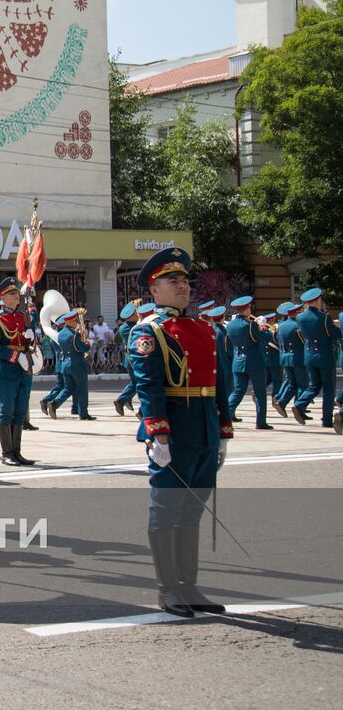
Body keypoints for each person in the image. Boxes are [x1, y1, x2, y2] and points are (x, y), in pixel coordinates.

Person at [129, 246, 232, 617]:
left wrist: (223, 432)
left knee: (192, 512)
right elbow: (148, 386)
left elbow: (220, 383)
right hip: (173, 434)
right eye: (173, 281)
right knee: (167, 510)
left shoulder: (205, 329)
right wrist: (158, 436)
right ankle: (168, 589)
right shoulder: (149, 331)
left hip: (203, 430)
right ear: (154, 290)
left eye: (185, 281)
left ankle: (189, 586)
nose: (183, 286)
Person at [0, 277, 36, 466]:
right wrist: (16, 356)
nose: (16, 296)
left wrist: (31, 339)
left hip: (24, 369)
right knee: (6, 411)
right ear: (3, 297)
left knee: (20, 411)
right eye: (12, 293)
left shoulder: (24, 317)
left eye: (16, 293)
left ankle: (17, 452)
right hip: (7, 369)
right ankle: (7, 453)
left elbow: (30, 344)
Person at [294, 288, 341, 431]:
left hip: (309, 356)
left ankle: (300, 404)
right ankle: (326, 419)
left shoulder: (300, 317)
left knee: (314, 385)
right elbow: (336, 335)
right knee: (328, 388)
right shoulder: (324, 317)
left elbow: (301, 335)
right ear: (317, 300)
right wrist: (338, 327)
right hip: (324, 356)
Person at [225, 295, 271, 430]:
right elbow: (266, 338)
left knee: (238, 391)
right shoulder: (251, 325)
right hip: (254, 362)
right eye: (249, 308)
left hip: (238, 361)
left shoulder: (230, 325)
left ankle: (223, 416)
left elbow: (228, 346)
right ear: (246, 309)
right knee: (260, 392)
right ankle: (261, 422)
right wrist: (263, 327)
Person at [54, 310, 94, 421]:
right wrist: (87, 342)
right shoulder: (74, 335)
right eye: (74, 321)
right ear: (69, 322)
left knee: (68, 388)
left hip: (65, 364)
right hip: (77, 364)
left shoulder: (61, 334)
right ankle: (83, 413)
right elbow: (84, 348)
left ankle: (54, 404)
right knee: (82, 389)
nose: (76, 322)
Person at [274, 302, 303, 419]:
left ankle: (282, 402)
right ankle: (299, 409)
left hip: (285, 358)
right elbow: (304, 341)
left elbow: (276, 339)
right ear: (296, 313)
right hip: (297, 357)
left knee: (292, 383)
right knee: (303, 384)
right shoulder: (297, 325)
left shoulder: (281, 325)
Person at [113, 302, 140, 416]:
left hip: (128, 359)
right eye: (136, 313)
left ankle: (126, 399)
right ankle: (121, 400)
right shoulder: (136, 327)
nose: (138, 314)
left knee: (134, 382)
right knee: (138, 382)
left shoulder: (123, 327)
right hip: (135, 359)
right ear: (132, 316)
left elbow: (116, 340)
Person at [38, 314, 66, 419]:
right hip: (63, 362)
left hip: (59, 363)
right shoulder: (61, 334)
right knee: (67, 387)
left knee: (60, 386)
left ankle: (46, 401)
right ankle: (51, 403)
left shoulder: (55, 334)